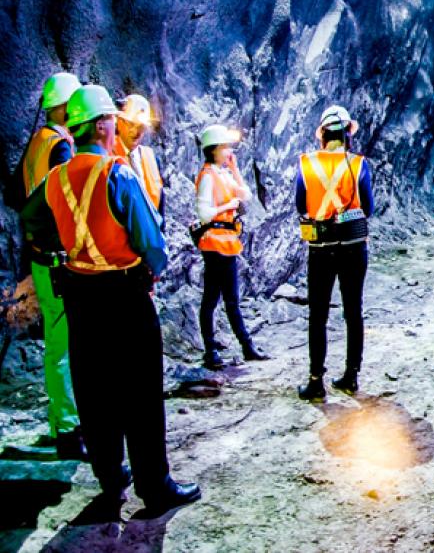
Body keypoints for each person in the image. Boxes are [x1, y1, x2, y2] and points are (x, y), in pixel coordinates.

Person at [20, 84, 200, 514]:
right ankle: (154, 487)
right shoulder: (116, 173)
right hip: (124, 294)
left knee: (94, 389)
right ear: (103, 125)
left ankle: (110, 476)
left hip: (80, 296)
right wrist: (150, 270)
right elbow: (151, 242)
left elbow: (32, 223)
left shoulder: (55, 178)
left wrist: (61, 254)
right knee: (139, 392)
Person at [13, 72, 85, 460]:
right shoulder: (60, 147)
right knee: (64, 345)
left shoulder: (37, 144)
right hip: (57, 256)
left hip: (40, 252)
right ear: (64, 106)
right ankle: (70, 430)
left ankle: (64, 423)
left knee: (59, 345)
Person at [295, 105, 374, 402]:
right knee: (353, 310)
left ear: (322, 135)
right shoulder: (358, 163)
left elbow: (301, 206)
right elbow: (368, 208)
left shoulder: (306, 163)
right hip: (353, 247)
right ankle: (351, 376)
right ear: (347, 135)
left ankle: (316, 381)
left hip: (321, 249)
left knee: (318, 314)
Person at [195, 124, 268, 369]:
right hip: (215, 243)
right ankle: (217, 350)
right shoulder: (207, 175)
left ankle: (241, 347)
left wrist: (235, 170)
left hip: (226, 242)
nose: (228, 151)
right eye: (225, 147)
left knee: (226, 299)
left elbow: (245, 195)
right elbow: (204, 213)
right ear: (213, 149)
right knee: (216, 299)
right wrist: (227, 207)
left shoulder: (223, 173)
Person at [115, 94, 164, 219]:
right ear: (119, 122)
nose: (136, 132)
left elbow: (160, 204)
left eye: (141, 127)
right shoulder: (108, 157)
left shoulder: (152, 159)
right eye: (131, 124)